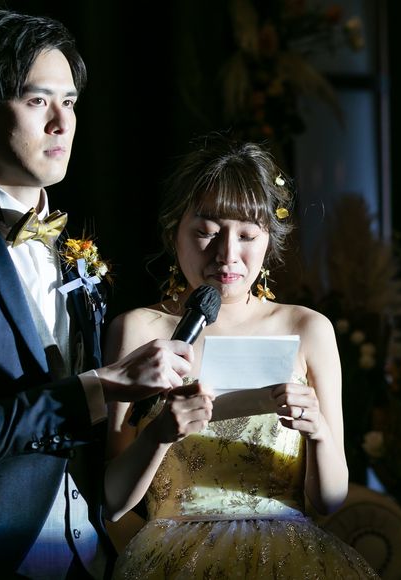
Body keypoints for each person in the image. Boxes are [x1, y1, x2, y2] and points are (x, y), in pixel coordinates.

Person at [103, 133, 379, 578]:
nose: (227, 255)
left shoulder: (308, 329)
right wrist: (159, 433)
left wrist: (319, 432)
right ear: (174, 232)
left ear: (269, 239)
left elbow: (329, 500)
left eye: (247, 235)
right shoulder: (139, 329)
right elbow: (112, 502)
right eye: (206, 232)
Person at [0, 9, 195, 578]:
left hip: (88, 551)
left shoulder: (73, 252)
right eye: (37, 101)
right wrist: (101, 387)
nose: (62, 122)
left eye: (70, 101)